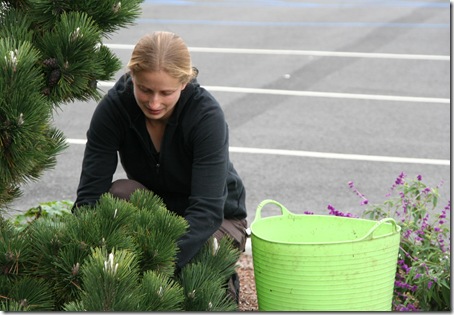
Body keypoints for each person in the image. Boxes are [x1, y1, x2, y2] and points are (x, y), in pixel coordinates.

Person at [72, 31, 248, 303]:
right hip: (157, 211)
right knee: (119, 193)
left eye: (166, 93)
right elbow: (90, 197)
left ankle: (222, 281)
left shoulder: (206, 117)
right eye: (144, 89)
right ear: (132, 76)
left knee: (197, 265)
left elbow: (206, 211)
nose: (154, 103)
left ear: (185, 81)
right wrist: (82, 260)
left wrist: (154, 266)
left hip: (218, 219)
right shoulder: (114, 109)